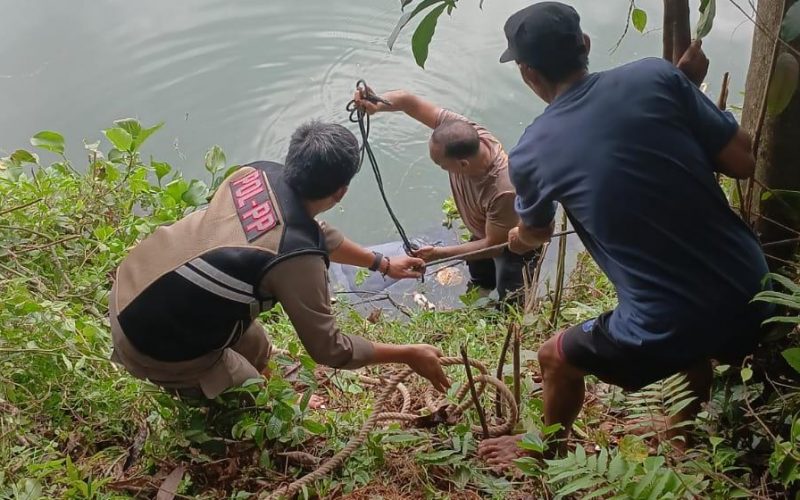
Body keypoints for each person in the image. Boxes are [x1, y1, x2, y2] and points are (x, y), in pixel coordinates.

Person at [479, 2, 771, 467]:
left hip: (672, 321)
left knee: (554, 355)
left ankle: (547, 450)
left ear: (528, 74)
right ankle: (685, 428)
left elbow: (534, 234)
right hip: (755, 290)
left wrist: (516, 240)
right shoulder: (657, 78)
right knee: (682, 307)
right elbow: (744, 162)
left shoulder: (532, 149)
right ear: (587, 46)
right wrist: (684, 96)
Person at [109, 121, 451, 400]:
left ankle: (270, 381)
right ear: (341, 191)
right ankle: (244, 395)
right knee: (248, 398)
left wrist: (384, 264)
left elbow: (317, 233)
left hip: (133, 283)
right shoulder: (295, 260)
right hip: (148, 340)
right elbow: (330, 350)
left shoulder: (255, 174)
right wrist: (409, 353)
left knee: (256, 344)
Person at [354, 88, 537, 302]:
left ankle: (506, 321)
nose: (441, 168)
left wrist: (439, 254)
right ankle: (480, 297)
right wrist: (377, 103)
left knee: (512, 294)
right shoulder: (461, 132)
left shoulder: (502, 190)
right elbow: (407, 101)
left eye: (442, 165)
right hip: (484, 230)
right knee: (479, 276)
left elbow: (493, 246)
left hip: (512, 246)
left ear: (463, 164)